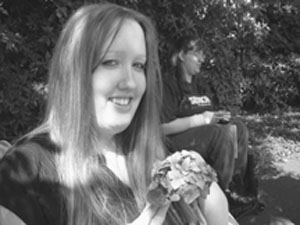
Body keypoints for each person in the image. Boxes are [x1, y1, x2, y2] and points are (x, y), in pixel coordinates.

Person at [0, 4, 230, 225]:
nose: (130, 82)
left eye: (139, 65)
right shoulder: (26, 172)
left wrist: (210, 197)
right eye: (110, 62)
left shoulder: (151, 154)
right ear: (74, 71)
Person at [161, 35, 263, 218]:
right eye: (197, 53)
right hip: (176, 141)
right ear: (182, 55)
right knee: (223, 133)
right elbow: (163, 127)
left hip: (204, 135)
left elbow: (209, 115)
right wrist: (201, 119)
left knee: (238, 126)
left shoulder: (200, 84)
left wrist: (218, 117)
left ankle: (236, 187)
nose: (202, 58)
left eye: (203, 54)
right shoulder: (169, 84)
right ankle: (224, 193)